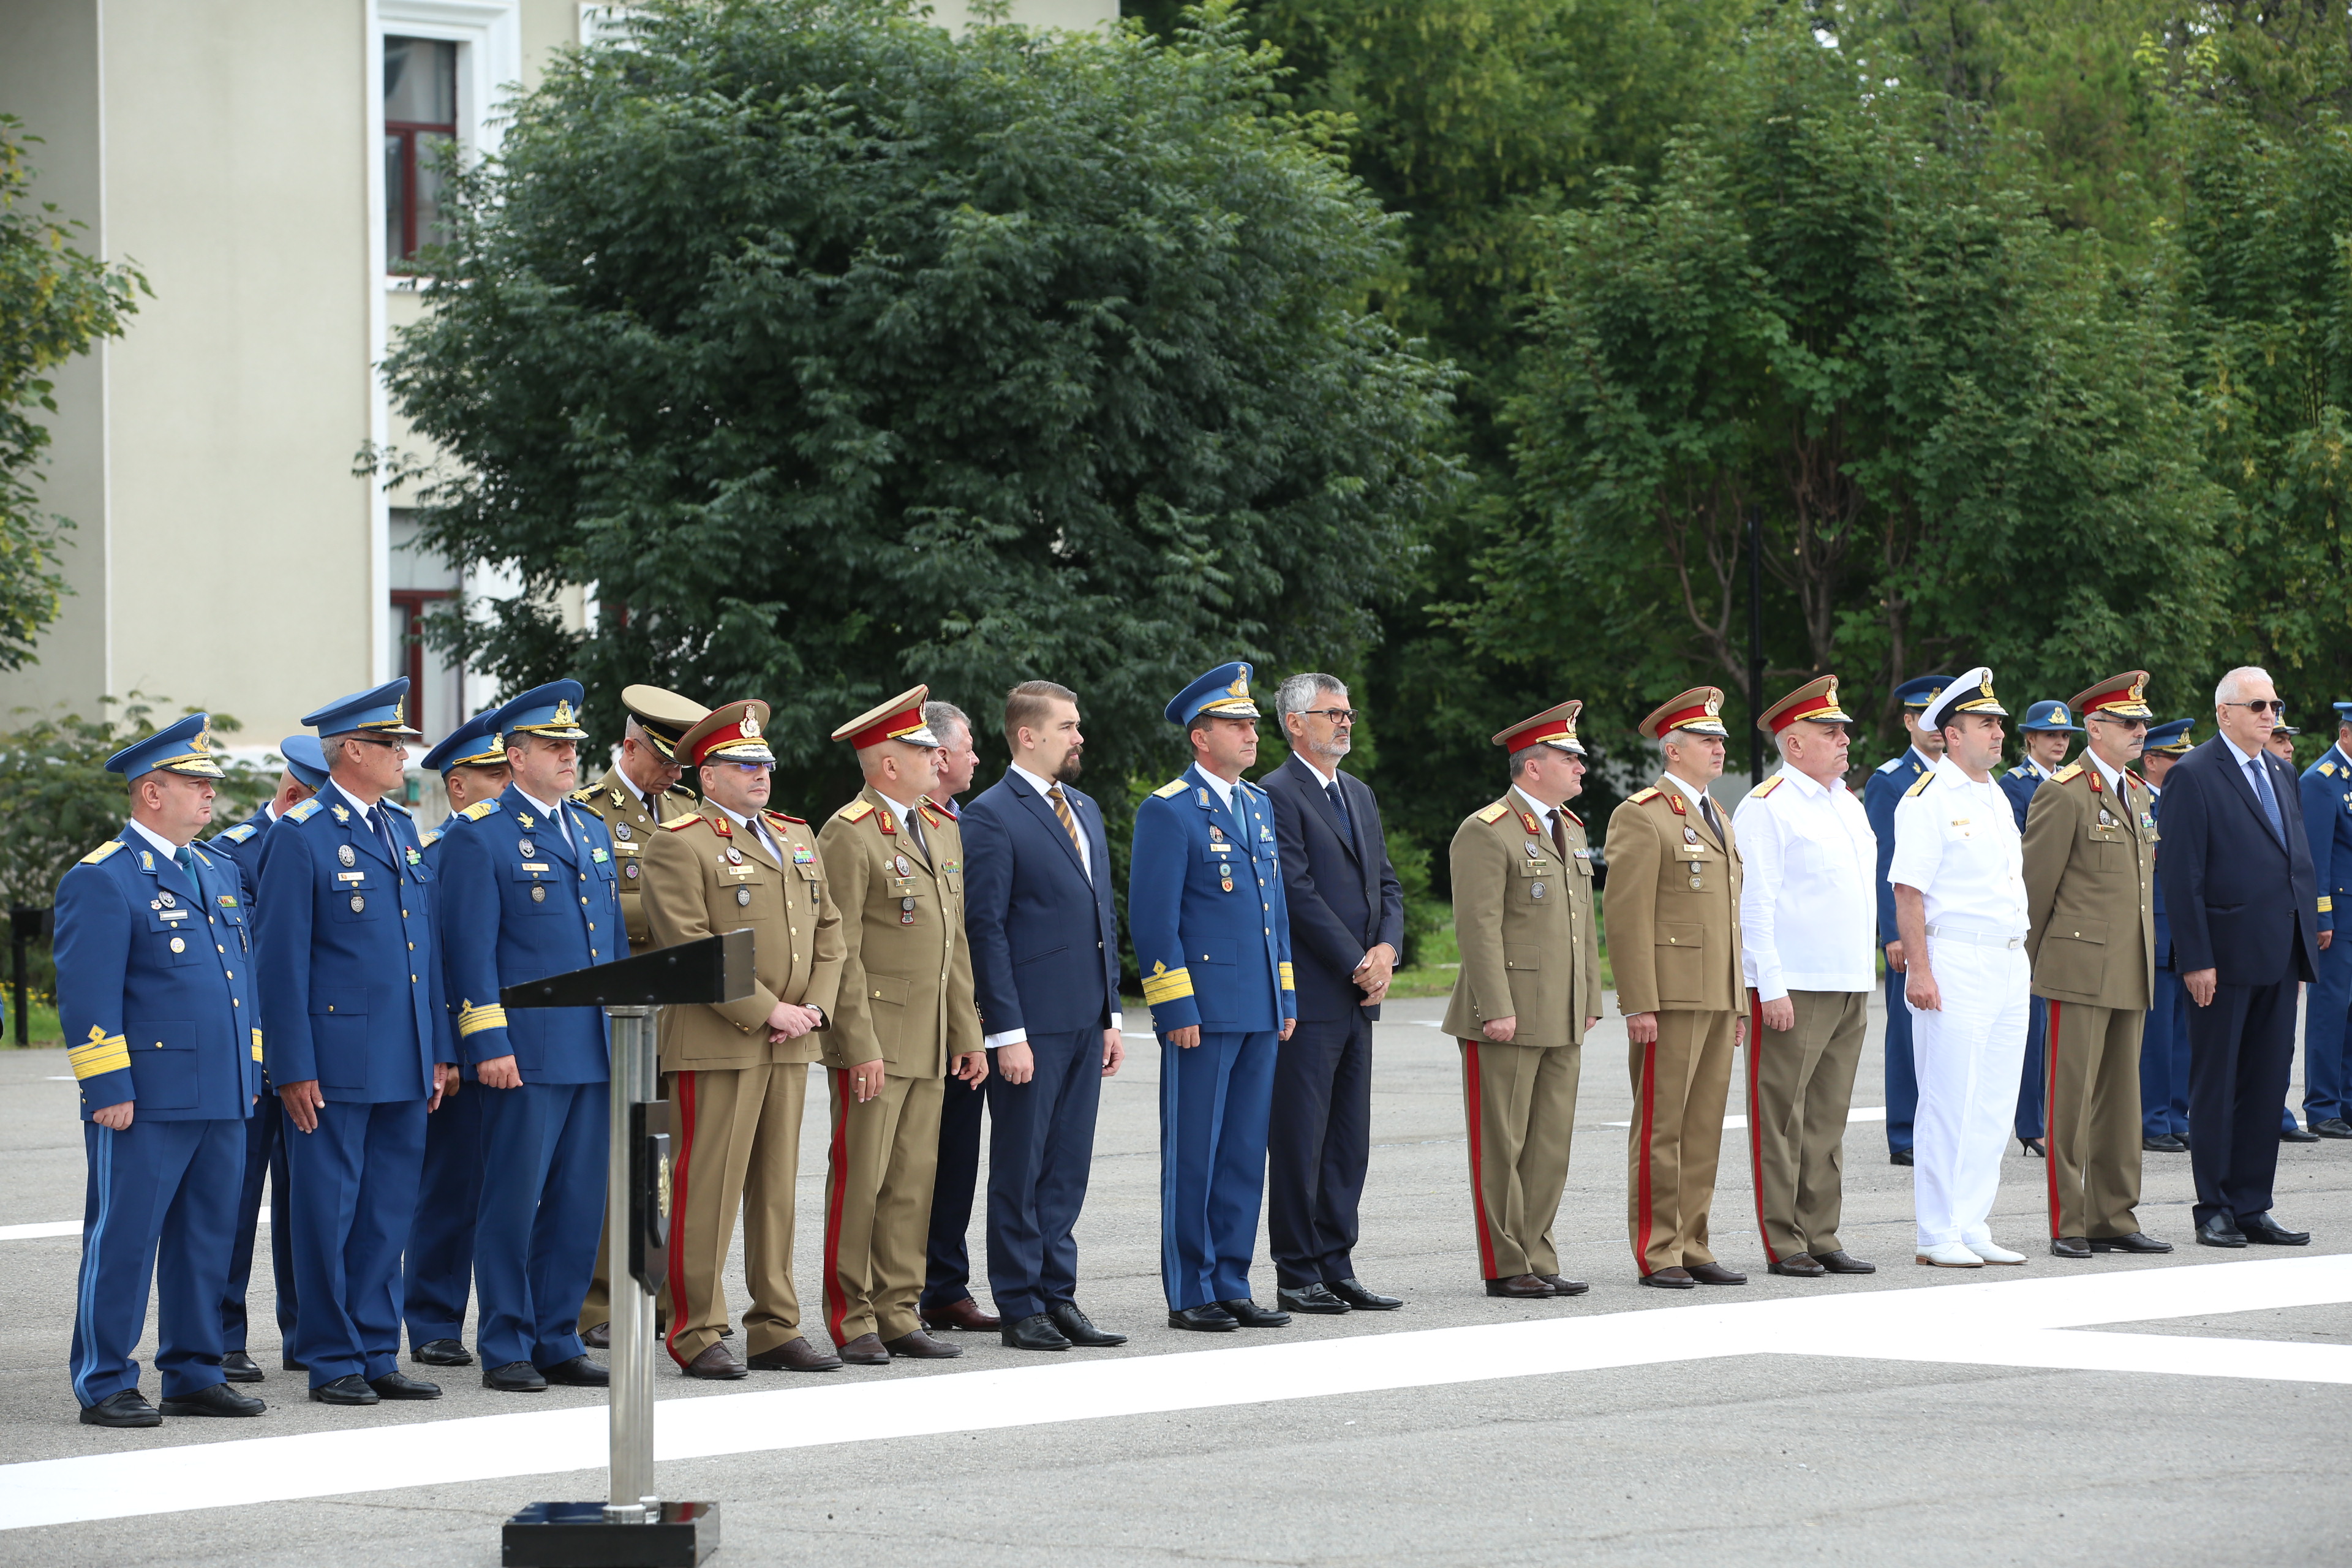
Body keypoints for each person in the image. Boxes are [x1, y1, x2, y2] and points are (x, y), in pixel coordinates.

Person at [58, 715, 266, 1427]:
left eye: (211, 782)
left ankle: (194, 1370)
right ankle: (106, 1378)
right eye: (195, 782)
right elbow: (89, 995)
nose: (210, 794)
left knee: (208, 1237)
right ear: (152, 791)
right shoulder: (103, 878)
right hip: (145, 1099)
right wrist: (106, 1086)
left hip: (222, 1091)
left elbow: (243, 983)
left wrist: (251, 1069)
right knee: (124, 1237)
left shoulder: (216, 868)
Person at [254, 679, 456, 1404]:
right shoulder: (299, 835)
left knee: (387, 1208)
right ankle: (331, 1353)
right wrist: (292, 1066)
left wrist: (439, 1046)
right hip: (333, 1062)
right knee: (326, 1208)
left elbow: (421, 948)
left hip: (402, 1055)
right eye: (392, 744)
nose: (405, 756)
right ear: (352, 752)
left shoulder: (401, 828)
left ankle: (376, 1346)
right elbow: (279, 963)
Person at [643, 699, 848, 1376]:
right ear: (707, 775)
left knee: (776, 1189)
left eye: (765, 762)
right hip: (719, 1039)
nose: (760, 774)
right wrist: (768, 1010)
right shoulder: (681, 840)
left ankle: (776, 1325)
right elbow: (690, 944)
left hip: (791, 1040)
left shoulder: (795, 833)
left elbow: (829, 933)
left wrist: (812, 1008)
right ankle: (696, 1329)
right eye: (743, 763)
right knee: (708, 1186)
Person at [436, 681, 624, 1392]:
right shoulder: (478, 834)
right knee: (512, 1202)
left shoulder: (589, 829)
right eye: (554, 746)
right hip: (525, 1051)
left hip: (592, 1048)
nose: (570, 756)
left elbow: (606, 944)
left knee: (579, 1201)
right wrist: (488, 1045)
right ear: (515, 756)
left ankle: (555, 1335)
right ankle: (506, 1340)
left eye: (574, 745)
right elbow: (469, 953)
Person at [816, 687, 987, 1364]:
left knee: (914, 1178)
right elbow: (842, 950)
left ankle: (898, 1307)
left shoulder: (940, 827)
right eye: (921, 748)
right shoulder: (848, 832)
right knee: (862, 1179)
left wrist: (966, 1031)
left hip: (930, 1037)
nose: (935, 756)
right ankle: (850, 1314)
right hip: (878, 1038)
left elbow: (955, 944)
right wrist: (857, 1044)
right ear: (889, 763)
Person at [960, 681, 1127, 1352]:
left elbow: (1100, 919)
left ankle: (1060, 1294)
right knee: (1021, 1165)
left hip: (1086, 1017)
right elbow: (986, 929)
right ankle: (1020, 1302)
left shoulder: (1083, 808)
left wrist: (1113, 1012)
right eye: (1067, 726)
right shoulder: (991, 815)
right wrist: (1006, 1033)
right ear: (1028, 735)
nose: (1078, 736)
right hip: (1030, 1026)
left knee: (1067, 1166)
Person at [1133, 663, 1298, 1332]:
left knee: (1240, 1154)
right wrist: (1175, 1008)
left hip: (1258, 1006)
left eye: (1254, 723)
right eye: (1237, 724)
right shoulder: (1169, 809)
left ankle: (1231, 1278)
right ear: (1201, 737)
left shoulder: (1257, 805)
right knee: (1195, 1154)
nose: (1251, 733)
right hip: (1203, 1009)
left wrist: (1285, 997)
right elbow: (1154, 919)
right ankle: (1190, 1289)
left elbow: (1274, 913)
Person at [1441, 700, 1602, 1299]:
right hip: (1505, 1015)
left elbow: (1582, 925)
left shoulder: (1574, 828)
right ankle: (1507, 1263)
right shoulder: (1486, 830)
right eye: (1570, 757)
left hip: (1561, 1011)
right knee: (1502, 1144)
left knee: (1550, 1143)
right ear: (1533, 766)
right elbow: (1477, 928)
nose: (1581, 767)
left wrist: (1589, 997)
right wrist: (1495, 1006)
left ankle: (1539, 1252)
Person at [2158, 667, 2321, 1248]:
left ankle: (2253, 1205)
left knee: (2265, 1085)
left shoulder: (2281, 770)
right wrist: (2196, 958)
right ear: (2224, 712)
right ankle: (2215, 1209)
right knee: (2217, 1083)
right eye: (2257, 705)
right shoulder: (2195, 774)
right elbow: (2182, 876)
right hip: (2221, 960)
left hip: (2279, 953)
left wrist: (2304, 946)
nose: (2270, 714)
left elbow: (2294, 861)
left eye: (2274, 704)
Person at [1260, 673, 1406, 1315]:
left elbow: (1387, 884)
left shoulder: (1358, 792)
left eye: (1349, 712)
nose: (1346, 722)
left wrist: (1388, 952)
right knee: (1300, 1138)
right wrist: (1355, 959)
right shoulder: (1275, 793)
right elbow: (1296, 893)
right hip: (1314, 995)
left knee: (1348, 1137)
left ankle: (1336, 1262)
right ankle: (1297, 1270)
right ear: (1296, 723)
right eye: (1332, 713)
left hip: (1358, 998)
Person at [566, 684, 706, 1350]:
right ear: (630, 746)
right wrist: (674, 914)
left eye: (683, 765)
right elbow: (588, 912)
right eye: (667, 760)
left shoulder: (685, 808)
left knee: (655, 1159)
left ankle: (645, 1292)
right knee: (607, 1160)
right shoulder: (588, 812)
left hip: (676, 1012)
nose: (677, 774)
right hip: (618, 1010)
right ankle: (596, 1304)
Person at [1733, 676, 1879, 1280]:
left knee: (1827, 1117)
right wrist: (1769, 985)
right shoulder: (1767, 805)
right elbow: (1756, 903)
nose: (1844, 739)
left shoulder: (1847, 801)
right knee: (1782, 1115)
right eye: (1829, 731)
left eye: (1843, 730)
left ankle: (1822, 1232)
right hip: (1795, 983)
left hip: (1848, 979)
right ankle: (1784, 1239)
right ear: (1794, 745)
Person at [2021, 673, 2171, 1260]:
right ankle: (2071, 1220)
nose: (2140, 732)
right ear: (2095, 727)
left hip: (2130, 965)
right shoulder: (2064, 792)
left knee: (2121, 1101)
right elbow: (2037, 890)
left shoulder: (2136, 792)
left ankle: (2115, 1215)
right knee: (2071, 1099)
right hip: (2077, 968)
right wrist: (2031, 967)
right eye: (2129, 723)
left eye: (2142, 723)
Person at [1605, 687, 1747, 1288]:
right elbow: (1626, 914)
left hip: (1716, 995)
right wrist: (1638, 999)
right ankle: (1658, 1247)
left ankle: (1694, 1240)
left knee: (1704, 1124)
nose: (1719, 749)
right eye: (1706, 740)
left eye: (1720, 740)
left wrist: (1738, 999)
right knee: (1663, 1125)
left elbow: (1729, 917)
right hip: (1669, 998)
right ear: (1674, 748)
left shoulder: (1719, 815)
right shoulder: (1643, 813)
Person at [1893, 669, 2033, 1268]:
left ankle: (1971, 1220)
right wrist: (1919, 971)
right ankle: (1935, 1230)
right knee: (1949, 1098)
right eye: (1986, 724)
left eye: (1999, 723)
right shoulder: (1928, 798)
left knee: (1994, 1100)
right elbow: (1908, 892)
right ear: (1952, 734)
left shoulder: (1993, 793)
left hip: (2007, 955)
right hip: (1955, 956)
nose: (1998, 732)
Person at [208, 732, 329, 1384]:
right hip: (255, 1057)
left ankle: (309, 1333)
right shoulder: (234, 852)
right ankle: (224, 1334)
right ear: (292, 794)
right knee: (233, 1200)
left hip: (321, 1052)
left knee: (310, 1202)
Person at [398, 710, 510, 1371]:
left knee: (511, 1190)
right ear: (459, 787)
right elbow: (436, 964)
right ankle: (435, 1317)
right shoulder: (437, 855)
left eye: (507, 770)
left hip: (517, 1046)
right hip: (462, 1050)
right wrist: (450, 1051)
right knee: (451, 1187)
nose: (504, 784)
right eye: (492, 775)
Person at [917, 698, 1003, 1335]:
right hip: (913, 1024)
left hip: (961, 1021)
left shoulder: (958, 821)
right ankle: (893, 1291)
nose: (977, 757)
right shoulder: (908, 825)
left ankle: (944, 1284)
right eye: (968, 746)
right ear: (939, 755)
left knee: (957, 1161)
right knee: (908, 1166)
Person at [1865, 675, 1952, 1167]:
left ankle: (1936, 1126)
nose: (1934, 726)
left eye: (1942, 717)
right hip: (1909, 925)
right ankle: (1905, 1132)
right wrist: (1893, 934)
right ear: (1908, 722)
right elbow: (1885, 863)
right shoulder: (1891, 780)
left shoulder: (1958, 779)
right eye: (1924, 716)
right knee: (1906, 1030)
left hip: (1950, 927)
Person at [2000, 699, 2081, 1159]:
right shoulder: (2014, 785)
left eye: (2066, 736)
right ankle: (2030, 1122)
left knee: (2061, 1025)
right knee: (2033, 1025)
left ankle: (2054, 1117)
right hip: (2035, 908)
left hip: (2071, 913)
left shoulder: (2072, 782)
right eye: (2050, 735)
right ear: (2029, 739)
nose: (2059, 742)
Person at [2138, 720, 2195, 1153]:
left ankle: (2177, 1113)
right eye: (2174, 758)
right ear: (2151, 760)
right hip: (2153, 930)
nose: (2182, 765)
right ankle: (2152, 1118)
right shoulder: (2140, 801)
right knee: (2155, 1036)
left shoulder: (2186, 801)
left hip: (2185, 932)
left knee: (2182, 1033)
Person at [2297, 701, 2352, 1140]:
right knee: (2330, 1011)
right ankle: (2322, 1105)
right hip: (2337, 916)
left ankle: (2348, 1099)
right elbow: (2314, 857)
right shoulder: (2321, 781)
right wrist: (2321, 917)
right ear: (2346, 733)